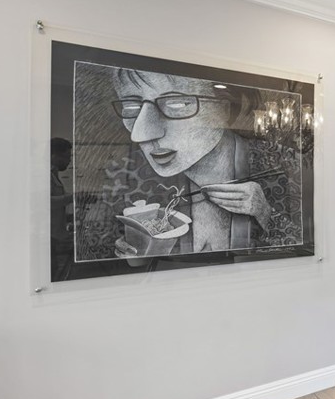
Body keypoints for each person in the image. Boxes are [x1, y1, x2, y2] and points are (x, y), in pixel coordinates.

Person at [103, 67, 301, 258]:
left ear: (224, 109)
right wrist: (127, 252)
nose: (140, 134)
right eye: (132, 107)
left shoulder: (281, 161)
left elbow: (307, 246)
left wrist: (264, 211)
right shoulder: (129, 177)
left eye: (177, 104)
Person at [50, 137, 75, 279]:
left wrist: (69, 217)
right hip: (46, 236)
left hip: (54, 235)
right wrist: (73, 197)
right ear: (54, 155)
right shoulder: (42, 174)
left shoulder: (53, 174)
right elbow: (45, 202)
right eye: (66, 157)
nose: (69, 161)